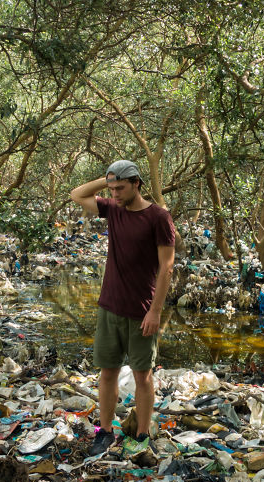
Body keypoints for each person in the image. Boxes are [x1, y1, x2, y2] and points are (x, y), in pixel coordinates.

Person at [69, 160, 175, 456]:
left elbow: (166, 268)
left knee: (143, 375)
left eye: (120, 187)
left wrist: (155, 311)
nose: (114, 193)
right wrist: (107, 180)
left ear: (136, 183)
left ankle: (141, 435)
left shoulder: (158, 217)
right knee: (107, 372)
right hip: (110, 306)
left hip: (142, 311)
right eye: (111, 188)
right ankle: (105, 432)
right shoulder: (113, 209)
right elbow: (77, 194)